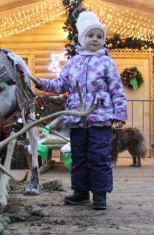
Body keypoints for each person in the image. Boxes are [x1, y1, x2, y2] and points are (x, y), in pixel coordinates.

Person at [30, 11, 127, 210]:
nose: (95, 39)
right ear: (82, 38)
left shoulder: (107, 63)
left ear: (103, 40)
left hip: (99, 118)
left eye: (99, 36)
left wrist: (120, 113)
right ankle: (81, 192)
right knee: (79, 156)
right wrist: (40, 83)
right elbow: (60, 84)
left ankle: (100, 194)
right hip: (77, 118)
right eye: (90, 35)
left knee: (99, 156)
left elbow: (117, 90)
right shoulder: (73, 63)